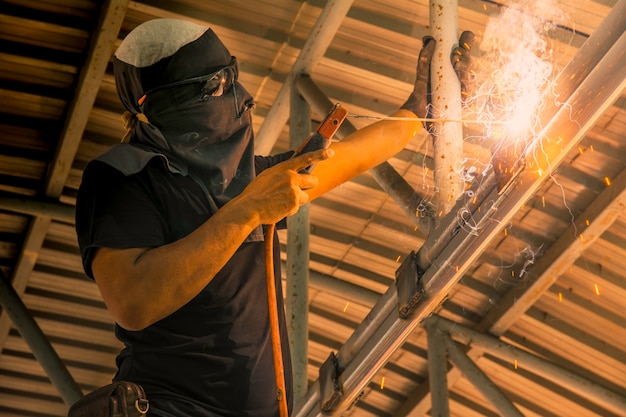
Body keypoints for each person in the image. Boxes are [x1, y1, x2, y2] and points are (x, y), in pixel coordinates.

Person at [75, 18, 471, 417]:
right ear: (161, 105)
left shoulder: (251, 181)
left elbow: (351, 156)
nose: (243, 99)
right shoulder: (121, 177)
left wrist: (419, 110)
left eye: (233, 77)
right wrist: (247, 212)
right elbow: (133, 301)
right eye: (216, 86)